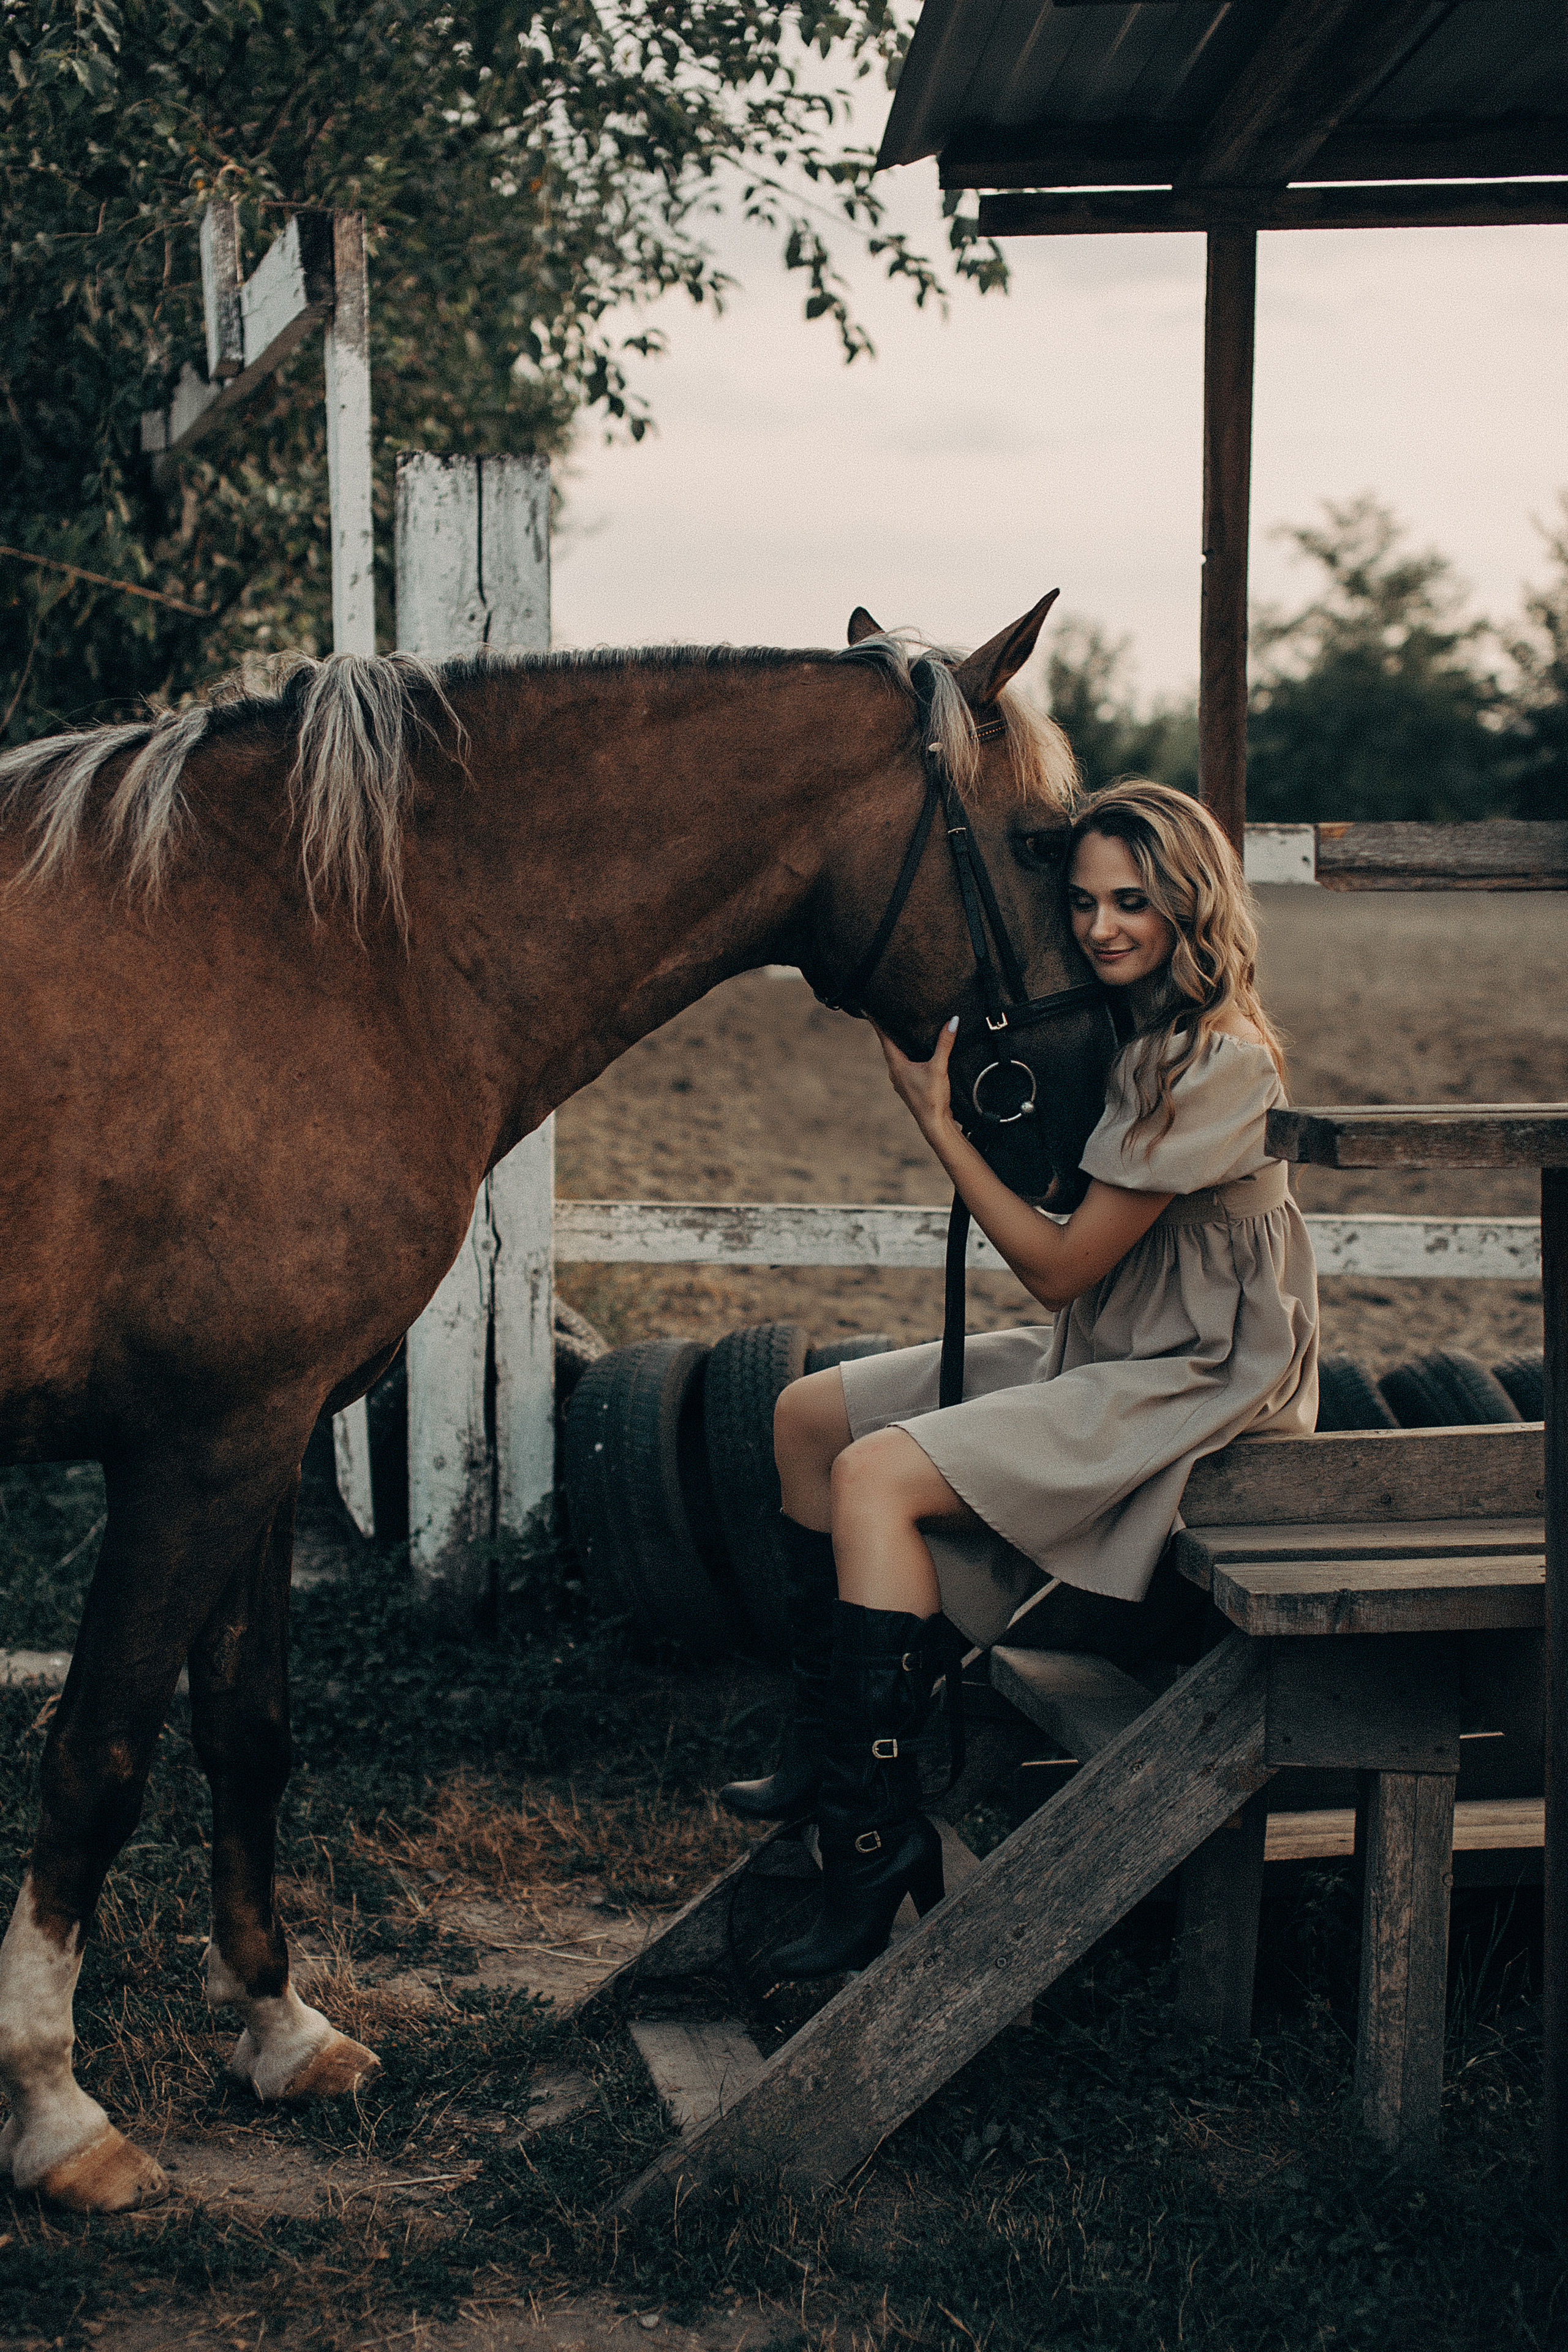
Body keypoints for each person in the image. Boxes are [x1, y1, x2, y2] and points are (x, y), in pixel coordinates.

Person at [719, 778, 1319, 1977]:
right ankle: (830, 1741)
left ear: (1190, 903)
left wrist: (937, 1122)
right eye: (1084, 902)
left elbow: (1055, 1269)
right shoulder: (1125, 1031)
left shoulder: (1217, 1061)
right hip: (1114, 1338)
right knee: (807, 1415)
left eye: (1131, 902)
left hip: (1197, 1370)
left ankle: (871, 1845)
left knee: (876, 1477)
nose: (1100, 927)